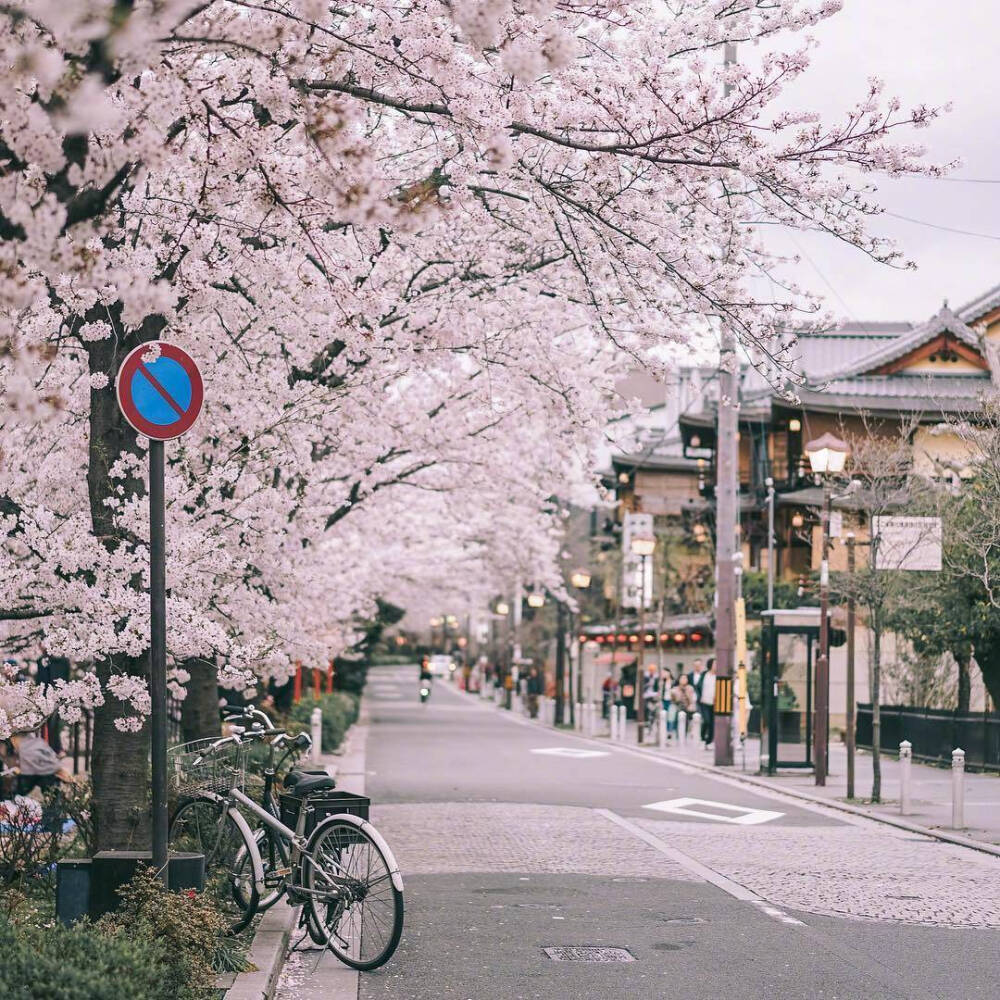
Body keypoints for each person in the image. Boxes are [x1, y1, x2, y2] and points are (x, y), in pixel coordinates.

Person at [700, 658, 716, 746]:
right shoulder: (704, 675)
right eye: (714, 664)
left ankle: (709, 741)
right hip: (704, 701)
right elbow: (698, 686)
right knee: (707, 721)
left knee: (712, 723)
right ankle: (702, 737)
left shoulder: (718, 676)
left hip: (714, 703)